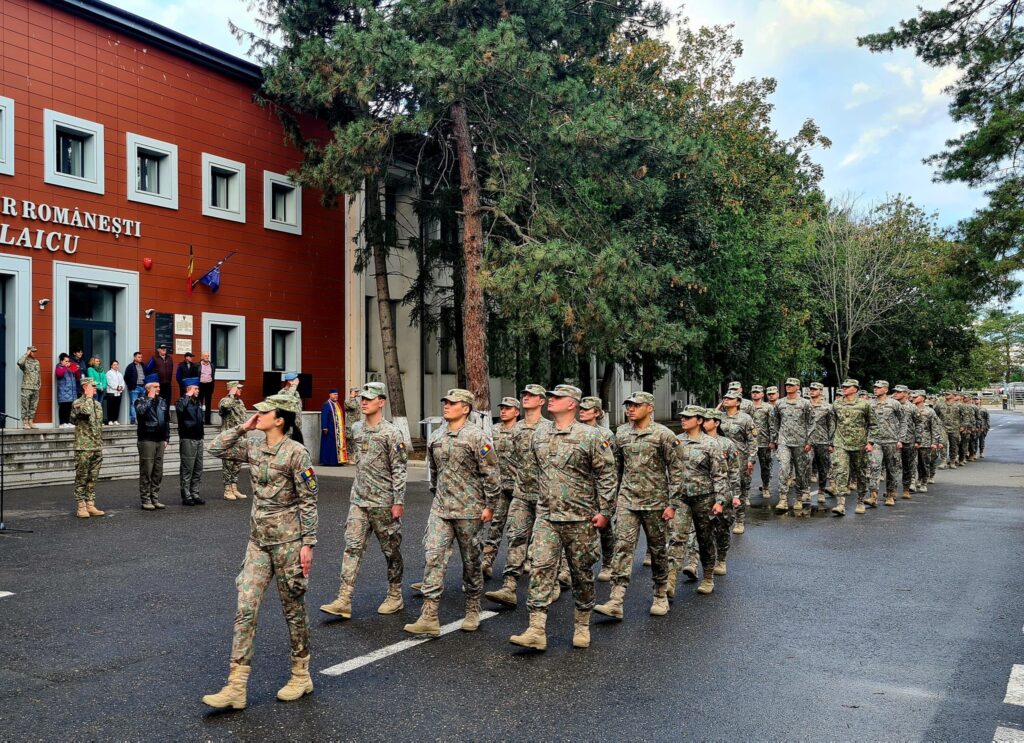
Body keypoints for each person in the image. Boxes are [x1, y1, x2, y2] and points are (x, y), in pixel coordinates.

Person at [203, 394, 318, 710]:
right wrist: (242, 428)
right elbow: (216, 449)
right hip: (258, 542)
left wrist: (308, 544)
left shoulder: (297, 454)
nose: (258, 413)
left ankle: (301, 673)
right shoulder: (253, 445)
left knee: (292, 608)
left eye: (265, 411)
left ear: (280, 419)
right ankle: (236, 686)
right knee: (246, 607)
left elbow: (308, 501)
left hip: (288, 543)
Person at [509, 384, 615, 650]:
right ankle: (536, 629)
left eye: (557, 398)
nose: (551, 400)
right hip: (546, 516)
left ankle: (581, 624)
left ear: (572, 404)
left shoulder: (590, 436)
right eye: (551, 397)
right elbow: (533, 472)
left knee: (581, 574)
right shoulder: (539, 434)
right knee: (541, 569)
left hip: (581, 518)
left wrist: (604, 512)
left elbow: (607, 475)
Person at [405, 389, 500, 636]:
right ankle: (429, 615)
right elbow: (434, 471)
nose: (446, 406)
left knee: (471, 562)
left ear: (465, 408)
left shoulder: (478, 438)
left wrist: (490, 506)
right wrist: (437, 493)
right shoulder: (436, 436)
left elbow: (491, 475)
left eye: (452, 403)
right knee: (433, 557)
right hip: (441, 508)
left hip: (470, 510)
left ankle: (472, 607)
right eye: (445, 402)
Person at [320, 382, 407, 619]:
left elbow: (399, 469)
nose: (364, 402)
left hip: (383, 501)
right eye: (362, 398)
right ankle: (344, 599)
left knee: (390, 550)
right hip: (359, 499)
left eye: (369, 398)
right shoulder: (357, 428)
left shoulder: (391, 433)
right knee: (352, 547)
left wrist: (398, 501)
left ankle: (395, 593)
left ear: (382, 402)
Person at [594, 391, 681, 621]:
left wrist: (673, 504)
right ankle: (616, 599)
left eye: (636, 405)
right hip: (627, 501)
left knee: (658, 549)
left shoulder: (664, 435)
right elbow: (616, 470)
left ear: (649, 408)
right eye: (628, 405)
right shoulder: (621, 434)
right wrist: (610, 502)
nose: (630, 409)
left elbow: (677, 471)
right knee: (622, 548)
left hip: (656, 502)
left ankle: (661, 593)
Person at [485, 384, 550, 609]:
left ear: (542, 401)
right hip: (521, 494)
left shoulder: (549, 429)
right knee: (516, 537)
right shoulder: (516, 430)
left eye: (531, 395)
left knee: (545, 545)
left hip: (545, 495)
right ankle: (510, 586)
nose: (526, 398)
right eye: (524, 394)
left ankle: (552, 584)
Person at [674, 405, 728, 595]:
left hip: (704, 498)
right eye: (682, 417)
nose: (683, 420)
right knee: (676, 538)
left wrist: (720, 501)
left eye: (688, 418)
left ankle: (707, 577)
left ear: (699, 421)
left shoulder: (711, 444)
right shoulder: (676, 442)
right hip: (681, 498)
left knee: (704, 539)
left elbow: (720, 475)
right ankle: (669, 583)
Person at [579, 396, 618, 581]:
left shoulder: (606, 435)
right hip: (580, 488)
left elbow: (613, 465)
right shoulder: (575, 431)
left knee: (605, 527)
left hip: (600, 487)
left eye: (587, 409)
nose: (582, 411)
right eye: (581, 408)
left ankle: (608, 562)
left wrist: (611, 493)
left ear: (596, 412)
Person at [482, 396, 521, 578]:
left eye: (508, 408)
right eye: (502, 408)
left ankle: (523, 560)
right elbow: (485, 453)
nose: (503, 411)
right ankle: (487, 560)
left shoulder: (521, 431)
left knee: (518, 527)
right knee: (495, 525)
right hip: (499, 488)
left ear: (517, 412)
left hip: (519, 488)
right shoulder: (493, 431)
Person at [703, 409, 742, 577]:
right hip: (702, 492)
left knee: (722, 528)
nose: (703, 423)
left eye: (707, 420)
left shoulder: (727, 444)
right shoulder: (696, 442)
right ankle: (694, 562)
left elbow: (734, 471)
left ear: (716, 423)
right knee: (698, 530)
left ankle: (722, 559)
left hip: (723, 492)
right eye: (702, 420)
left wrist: (735, 495)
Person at [830, 379, 876, 516]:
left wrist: (870, 442)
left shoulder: (864, 404)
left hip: (859, 444)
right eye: (843, 386)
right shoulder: (837, 404)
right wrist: (830, 442)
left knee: (861, 474)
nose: (844, 388)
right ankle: (840, 504)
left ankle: (861, 501)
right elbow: (833, 423)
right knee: (840, 471)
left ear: (855, 389)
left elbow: (873, 424)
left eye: (847, 387)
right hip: (840, 443)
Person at [774, 378, 813, 513]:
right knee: (784, 468)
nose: (788, 387)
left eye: (791, 385)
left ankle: (799, 497)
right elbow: (776, 422)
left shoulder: (805, 403)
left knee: (800, 471)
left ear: (798, 387)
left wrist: (809, 441)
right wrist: (775, 440)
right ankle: (783, 498)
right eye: (787, 385)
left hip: (801, 442)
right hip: (784, 441)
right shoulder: (779, 403)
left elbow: (811, 423)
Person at [719, 391, 756, 531]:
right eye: (724, 398)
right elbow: (705, 421)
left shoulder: (745, 419)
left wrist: (751, 459)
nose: (726, 400)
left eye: (729, 398)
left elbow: (752, 440)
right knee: (721, 486)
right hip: (721, 458)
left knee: (737, 488)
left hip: (740, 457)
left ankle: (740, 519)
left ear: (738, 402)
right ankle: (724, 518)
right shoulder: (719, 417)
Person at [867, 380, 906, 508]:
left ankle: (890, 494)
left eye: (878, 388)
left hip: (891, 441)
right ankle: (873, 496)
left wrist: (900, 439)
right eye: (874, 387)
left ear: (885, 390)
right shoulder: (870, 404)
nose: (875, 389)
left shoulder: (894, 404)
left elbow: (903, 422)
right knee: (874, 467)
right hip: (876, 441)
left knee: (892, 469)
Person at [135, 374, 170, 511]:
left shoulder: (162, 401)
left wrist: (167, 438)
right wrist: (149, 398)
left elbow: (166, 421)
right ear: (148, 388)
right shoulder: (140, 400)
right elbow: (141, 412)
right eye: (156, 386)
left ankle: (154, 497)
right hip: (147, 439)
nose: (159, 389)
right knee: (147, 470)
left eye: (159, 386)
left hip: (160, 439)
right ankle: (145, 499)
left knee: (158, 470)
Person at [71, 377, 105, 519]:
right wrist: (88, 396)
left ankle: (90, 503)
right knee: (82, 477)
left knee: (93, 477)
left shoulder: (97, 404)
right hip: (83, 447)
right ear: (85, 387)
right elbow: (84, 412)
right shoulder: (78, 403)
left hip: (96, 445)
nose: (95, 388)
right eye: (93, 386)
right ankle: (81, 505)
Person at [176, 377, 206, 506]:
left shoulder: (197, 403)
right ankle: (186, 495)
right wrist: (187, 396)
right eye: (196, 388)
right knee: (187, 468)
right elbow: (180, 409)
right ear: (189, 389)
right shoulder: (182, 401)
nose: (198, 390)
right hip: (188, 438)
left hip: (199, 438)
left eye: (198, 388)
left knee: (198, 468)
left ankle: (195, 493)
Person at [219, 382, 249, 500]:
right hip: (229, 438)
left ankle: (234, 487)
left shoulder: (240, 402)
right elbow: (225, 408)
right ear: (232, 389)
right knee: (228, 463)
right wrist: (231, 394)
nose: (241, 390)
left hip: (240, 438)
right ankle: (227, 490)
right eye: (238, 388)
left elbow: (243, 420)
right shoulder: (224, 401)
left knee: (237, 463)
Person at [807, 382, 834, 504]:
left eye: (815, 389)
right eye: (811, 389)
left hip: (822, 440)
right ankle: (805, 491)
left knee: (823, 467)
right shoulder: (804, 405)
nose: (812, 391)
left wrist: (831, 443)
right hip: (806, 441)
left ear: (821, 391)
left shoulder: (827, 407)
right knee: (805, 466)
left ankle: (821, 491)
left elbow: (831, 425)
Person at [750, 385, 776, 505]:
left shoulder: (768, 407)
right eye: (753, 392)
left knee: (765, 466)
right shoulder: (747, 407)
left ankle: (765, 487)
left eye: (757, 392)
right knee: (747, 468)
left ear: (762, 394)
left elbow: (772, 425)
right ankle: (745, 491)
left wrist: (772, 440)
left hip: (764, 442)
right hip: (750, 443)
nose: (755, 394)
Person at [912, 390, 941, 492]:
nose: (913, 397)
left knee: (924, 463)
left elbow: (935, 427)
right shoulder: (910, 409)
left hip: (925, 440)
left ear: (923, 398)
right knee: (913, 463)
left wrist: (934, 442)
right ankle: (917, 479)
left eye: (916, 396)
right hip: (912, 440)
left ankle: (924, 482)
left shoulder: (929, 411)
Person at [319, 389, 349, 467]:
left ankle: (337, 461)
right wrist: (324, 427)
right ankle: (329, 461)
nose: (336, 396)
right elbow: (324, 416)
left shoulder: (336, 404)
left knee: (336, 445)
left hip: (337, 429)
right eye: (334, 394)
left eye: (337, 394)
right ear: (330, 395)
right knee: (330, 445)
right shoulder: (327, 404)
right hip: (330, 429)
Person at [17, 345, 41, 428]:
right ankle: (25, 422)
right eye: (32, 351)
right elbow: (19, 362)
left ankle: (31, 421)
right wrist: (26, 354)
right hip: (26, 387)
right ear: (29, 352)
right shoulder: (25, 361)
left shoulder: (37, 362)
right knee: (25, 406)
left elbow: (38, 374)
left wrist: (39, 384)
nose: (34, 353)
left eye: (35, 351)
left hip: (35, 388)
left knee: (33, 406)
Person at [124, 351, 147, 424]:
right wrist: (131, 386)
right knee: (133, 403)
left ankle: (141, 419)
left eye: (141, 357)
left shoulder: (143, 365)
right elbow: (126, 377)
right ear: (134, 358)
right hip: (135, 388)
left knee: (142, 404)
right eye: (139, 357)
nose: (140, 358)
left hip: (143, 387)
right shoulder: (130, 366)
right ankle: (133, 420)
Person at [55, 354, 77, 427]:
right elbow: (59, 374)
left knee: (69, 408)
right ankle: (62, 423)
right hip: (63, 392)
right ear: (61, 361)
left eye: (68, 361)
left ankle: (67, 422)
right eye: (66, 361)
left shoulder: (70, 368)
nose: (68, 362)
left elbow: (77, 376)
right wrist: (65, 367)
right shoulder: (59, 367)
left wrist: (77, 369)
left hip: (71, 392)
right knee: (63, 407)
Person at [199, 352, 216, 425]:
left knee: (208, 403)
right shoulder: (198, 365)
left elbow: (213, 375)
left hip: (209, 385)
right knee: (199, 403)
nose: (207, 357)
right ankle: (199, 420)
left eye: (208, 356)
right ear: (202, 357)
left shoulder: (211, 365)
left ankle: (207, 421)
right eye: (205, 356)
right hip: (200, 385)